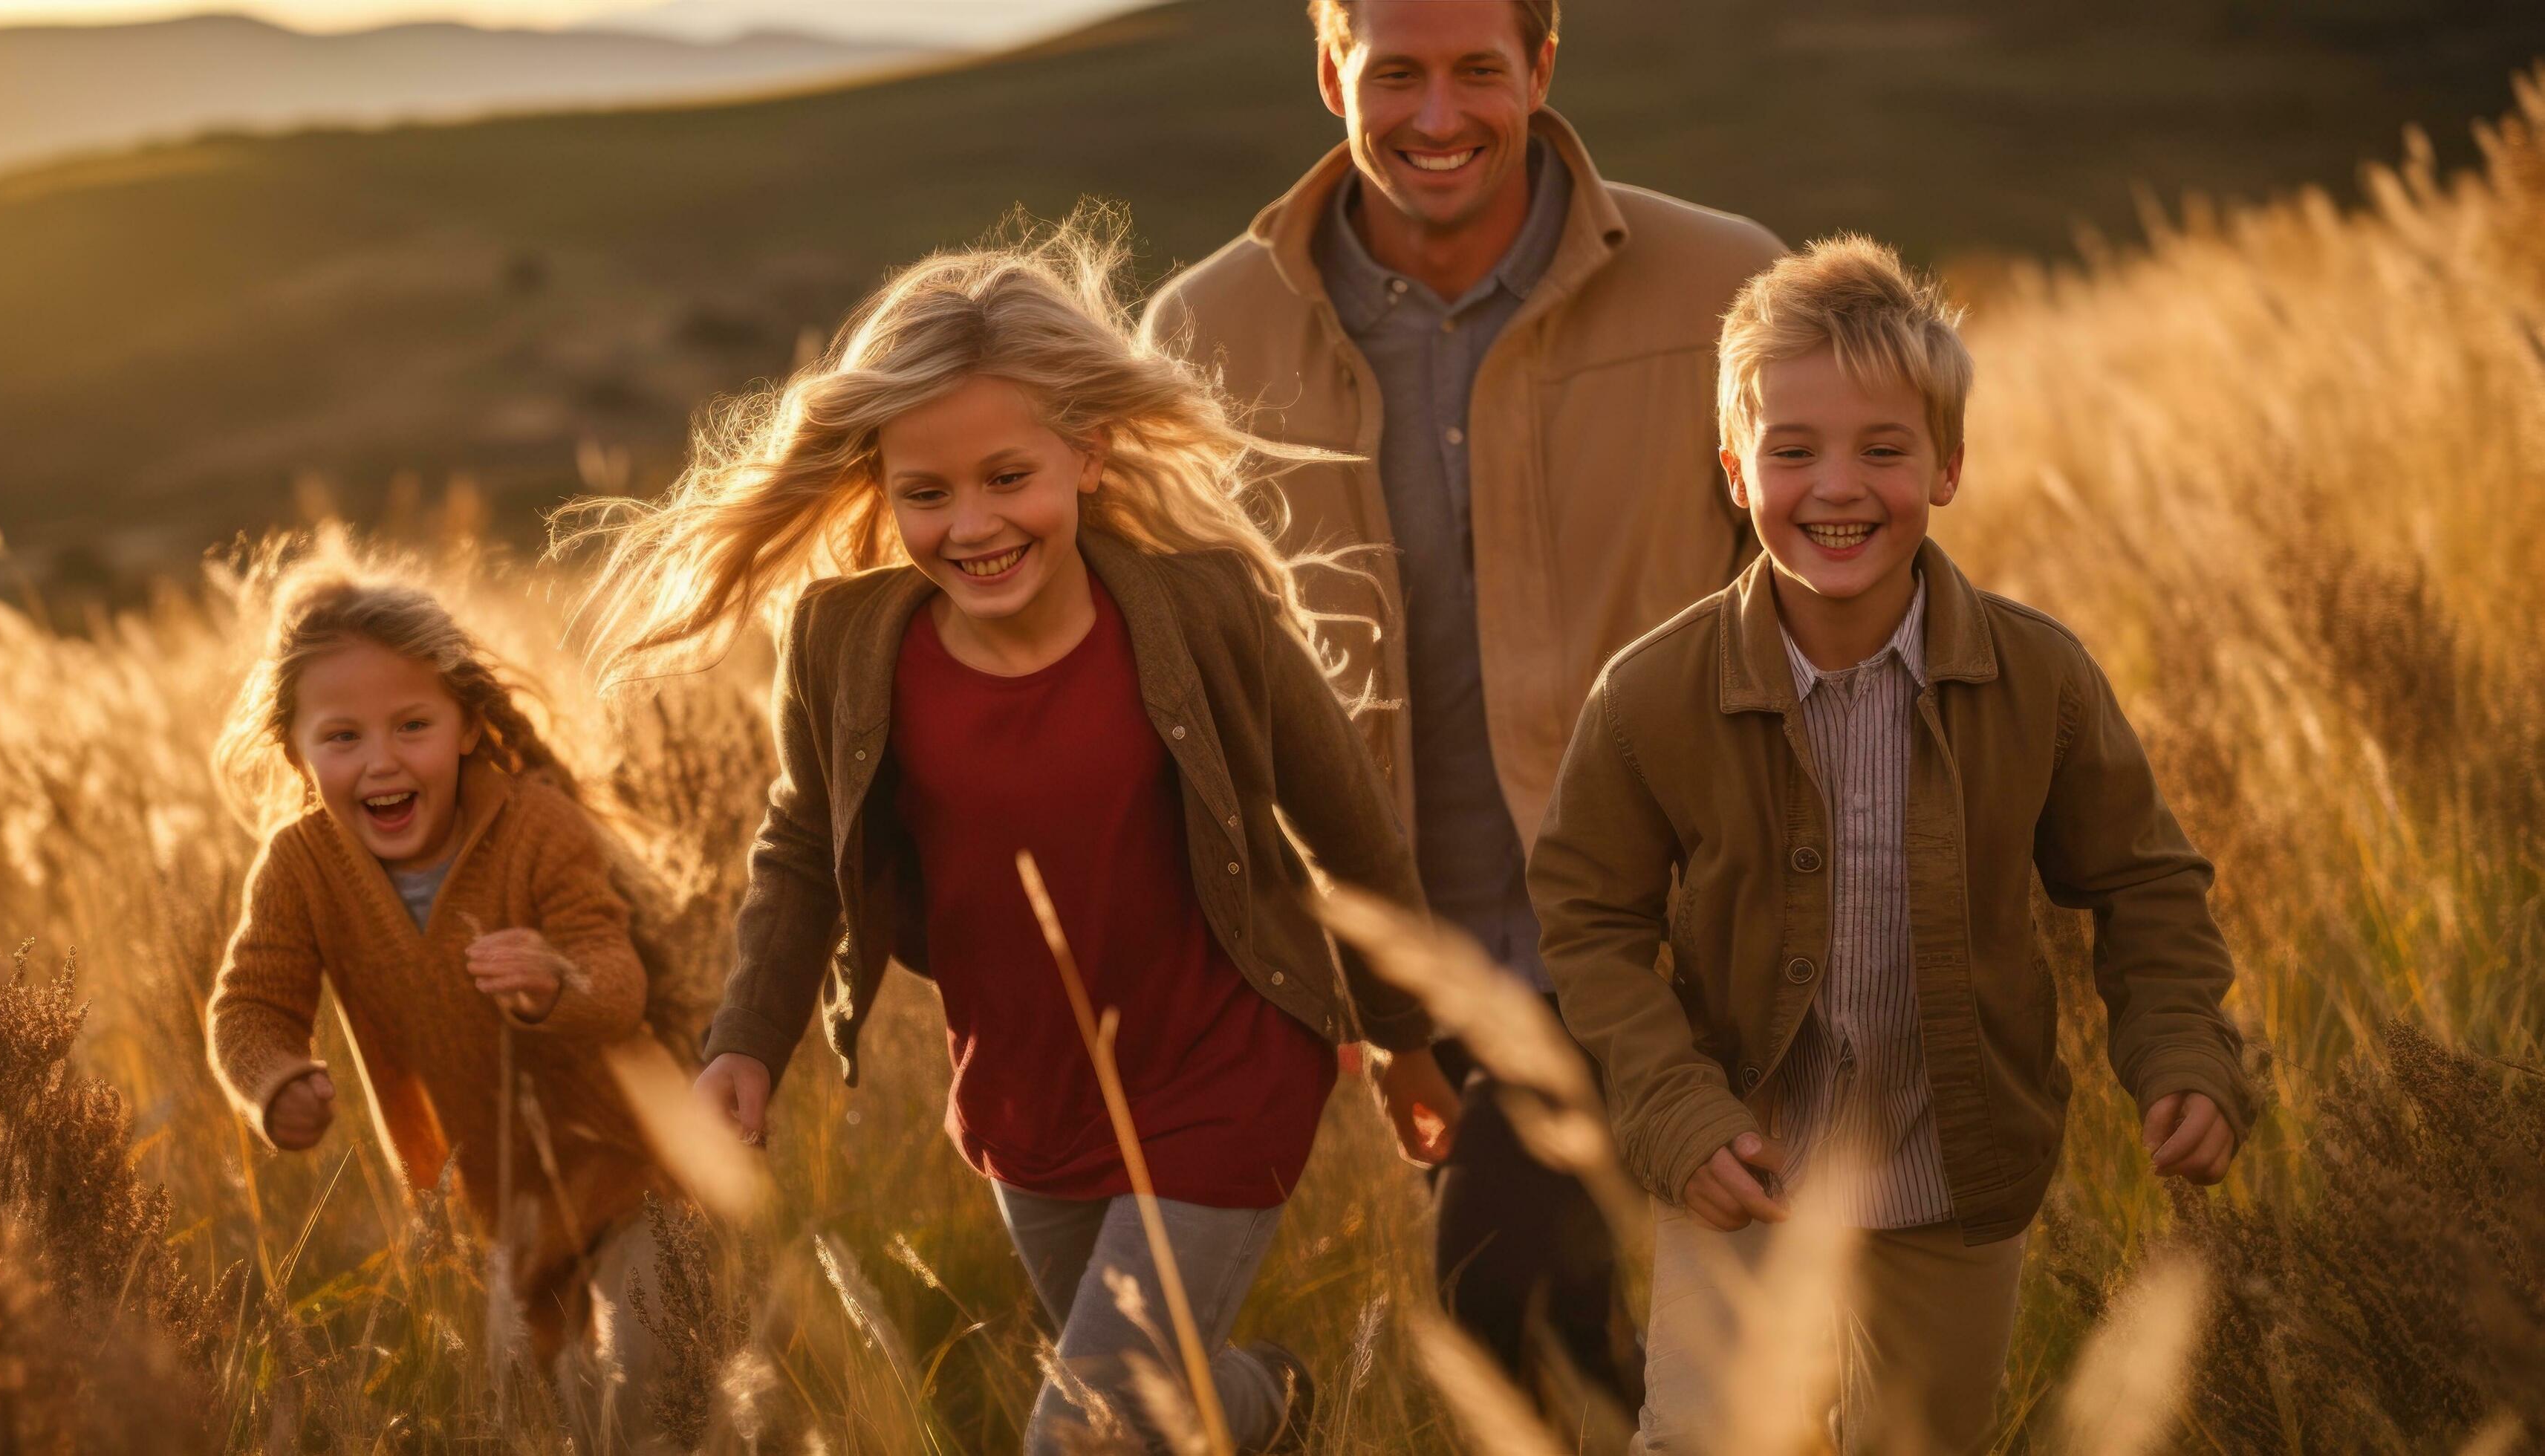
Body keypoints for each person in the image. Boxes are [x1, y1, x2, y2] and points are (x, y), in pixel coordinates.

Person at [570, 218, 1460, 1455]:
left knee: (1082, 1437)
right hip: (1024, 1099)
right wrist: (746, 1044)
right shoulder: (846, 646)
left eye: (1006, 478)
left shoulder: (1205, 614)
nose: (970, 526)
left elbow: (1347, 835)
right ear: (879, 489)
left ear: (1085, 452)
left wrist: (1407, 1037)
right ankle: (1276, 1409)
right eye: (923, 494)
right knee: (1168, 1412)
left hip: (1224, 1071)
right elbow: (795, 848)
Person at [1141, 0, 1786, 1412]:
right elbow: (1177, 674)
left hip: (1663, 920)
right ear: (1328, 72)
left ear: (1541, 69)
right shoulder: (1197, 335)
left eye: (1477, 72)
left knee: (1529, 1307)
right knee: (1551, 1324)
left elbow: (1833, 592)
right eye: (1396, 75)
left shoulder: (1724, 288)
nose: (1437, 119)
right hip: (1418, 954)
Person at [1528, 235, 2254, 1453]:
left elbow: (2141, 885)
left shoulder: (2037, 680)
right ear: (1730, 467)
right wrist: (1673, 1111)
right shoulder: (1651, 697)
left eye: (1881, 449)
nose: (1835, 488)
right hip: (1737, 1176)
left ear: (1948, 465)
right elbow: (1587, 920)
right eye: (1790, 450)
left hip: (1948, 1180)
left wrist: (2180, 1049)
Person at [205, 553, 686, 1450]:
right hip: (489, 1209)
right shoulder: (302, 869)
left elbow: (613, 975)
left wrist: (556, 981)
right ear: (297, 755)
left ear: (465, 725)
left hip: (630, 1174)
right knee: (527, 1418)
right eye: (342, 737)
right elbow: (250, 1008)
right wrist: (274, 1082)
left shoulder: (535, 826)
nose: (382, 761)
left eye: (412, 725)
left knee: (640, 1403)